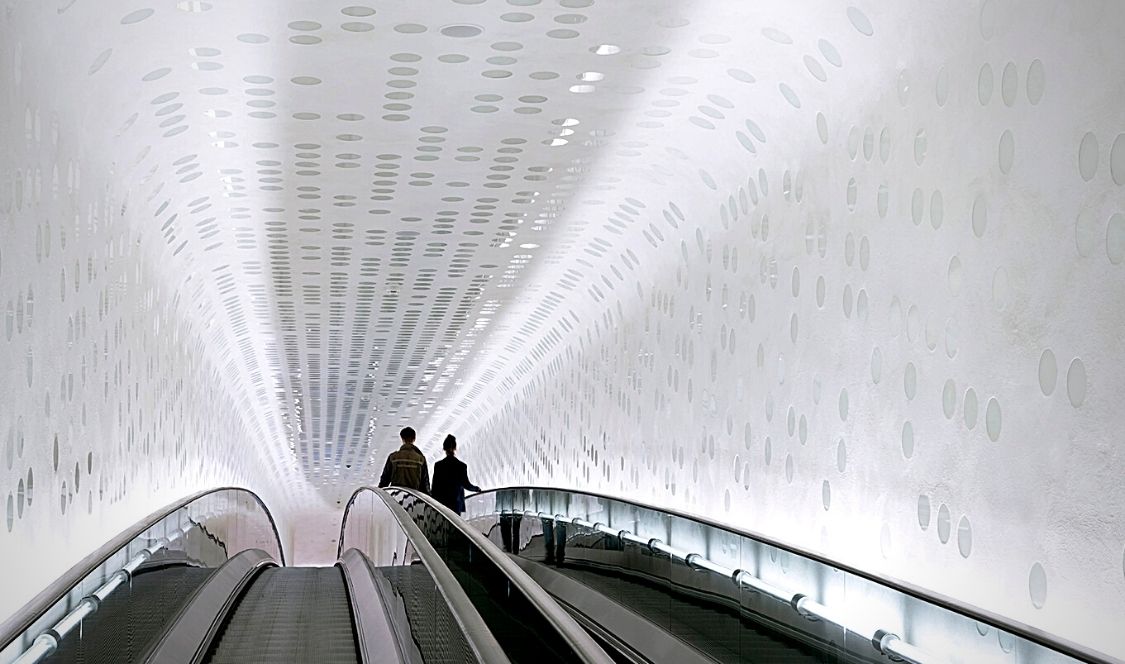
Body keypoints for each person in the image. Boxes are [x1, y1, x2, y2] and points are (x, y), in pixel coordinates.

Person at [430, 434, 482, 515]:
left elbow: (435, 487)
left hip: (442, 503)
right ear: (455, 448)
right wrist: (476, 489)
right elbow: (466, 484)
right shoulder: (461, 466)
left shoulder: (438, 465)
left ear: (444, 448)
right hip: (455, 504)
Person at [378, 426, 430, 493]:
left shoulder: (393, 457)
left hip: (396, 496)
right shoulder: (420, 459)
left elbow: (384, 481)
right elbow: (425, 484)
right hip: (414, 497)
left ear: (402, 438)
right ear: (414, 438)